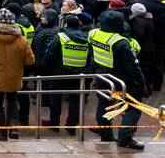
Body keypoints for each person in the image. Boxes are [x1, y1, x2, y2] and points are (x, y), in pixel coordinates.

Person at [89, 9, 147, 150]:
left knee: (104, 104)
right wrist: (142, 84)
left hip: (102, 77)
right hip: (121, 81)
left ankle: (105, 132)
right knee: (133, 106)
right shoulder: (121, 42)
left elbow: (91, 54)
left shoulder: (93, 34)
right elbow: (132, 66)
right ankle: (125, 138)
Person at [0, 7, 34, 141]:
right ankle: (14, 128)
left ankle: (2, 134)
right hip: (14, 77)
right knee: (13, 101)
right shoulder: (21, 39)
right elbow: (30, 60)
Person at [43, 14, 89, 134]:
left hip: (59, 73)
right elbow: (89, 58)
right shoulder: (85, 38)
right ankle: (71, 126)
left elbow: (50, 55)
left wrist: (46, 70)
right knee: (75, 100)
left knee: (56, 98)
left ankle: (54, 123)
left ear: (66, 24)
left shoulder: (61, 36)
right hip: (79, 74)